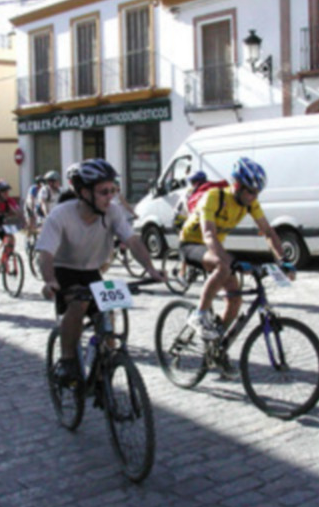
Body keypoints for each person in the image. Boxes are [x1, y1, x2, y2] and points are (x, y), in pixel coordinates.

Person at [37, 158, 164, 384]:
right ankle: (67, 360)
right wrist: (49, 281)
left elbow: (133, 241)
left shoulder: (113, 213)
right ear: (84, 193)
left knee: (107, 313)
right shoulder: (61, 215)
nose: (110, 197)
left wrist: (151, 269)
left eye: (113, 190)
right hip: (63, 270)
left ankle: (104, 365)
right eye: (104, 192)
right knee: (79, 303)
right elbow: (45, 253)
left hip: (91, 271)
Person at [180, 157, 292, 378]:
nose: (254, 197)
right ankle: (199, 314)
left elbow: (268, 231)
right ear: (238, 186)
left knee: (235, 300)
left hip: (214, 247)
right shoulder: (213, 197)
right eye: (251, 191)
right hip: (192, 244)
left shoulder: (250, 203)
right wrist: (228, 261)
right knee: (224, 266)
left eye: (257, 193)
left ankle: (217, 348)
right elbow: (209, 234)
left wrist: (283, 259)